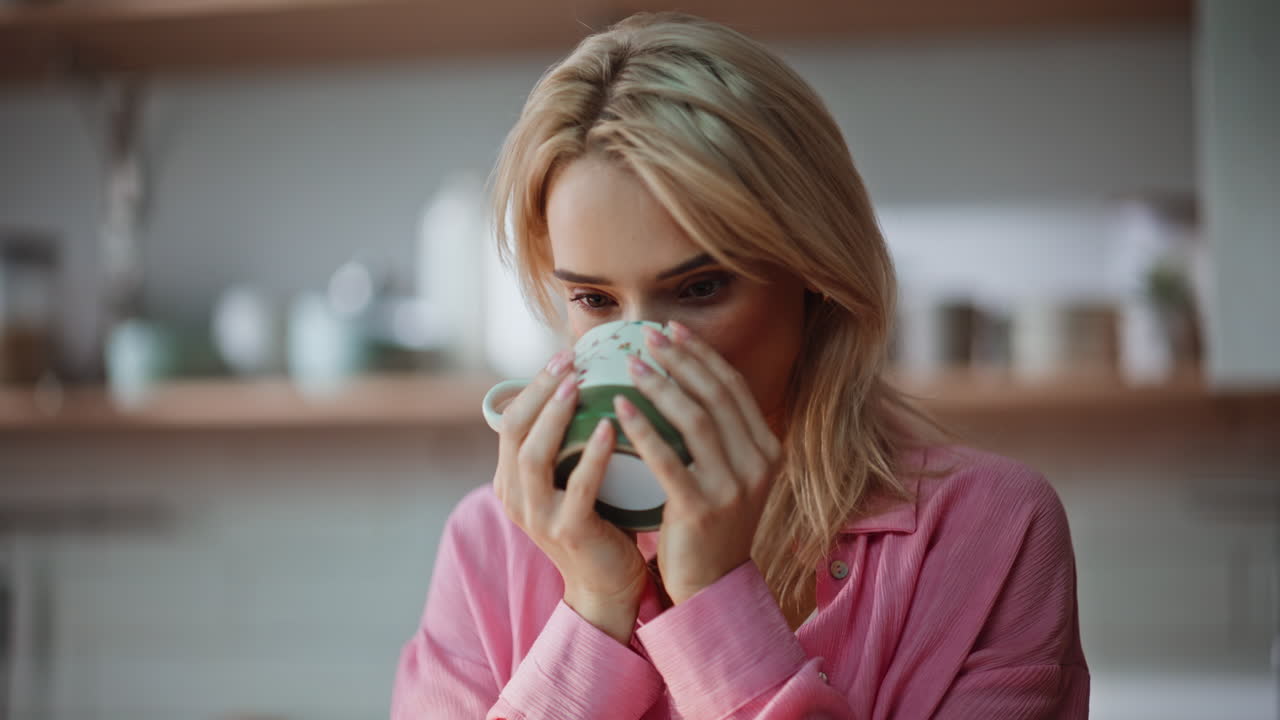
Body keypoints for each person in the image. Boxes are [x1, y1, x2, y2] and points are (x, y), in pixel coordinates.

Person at [392, 11, 1089, 719]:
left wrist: (713, 602)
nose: (644, 355)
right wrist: (596, 607)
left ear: (813, 270)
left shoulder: (991, 531)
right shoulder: (492, 543)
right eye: (594, 299)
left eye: (700, 288)